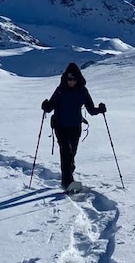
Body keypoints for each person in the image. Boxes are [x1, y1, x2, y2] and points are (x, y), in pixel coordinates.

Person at [41, 62, 106, 191]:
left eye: (74, 79)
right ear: (66, 78)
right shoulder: (60, 90)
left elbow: (91, 109)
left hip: (75, 127)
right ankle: (68, 183)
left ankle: (68, 176)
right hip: (60, 126)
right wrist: (46, 106)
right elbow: (51, 106)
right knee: (66, 153)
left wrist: (100, 109)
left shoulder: (82, 91)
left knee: (72, 155)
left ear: (78, 79)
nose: (71, 81)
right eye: (69, 79)